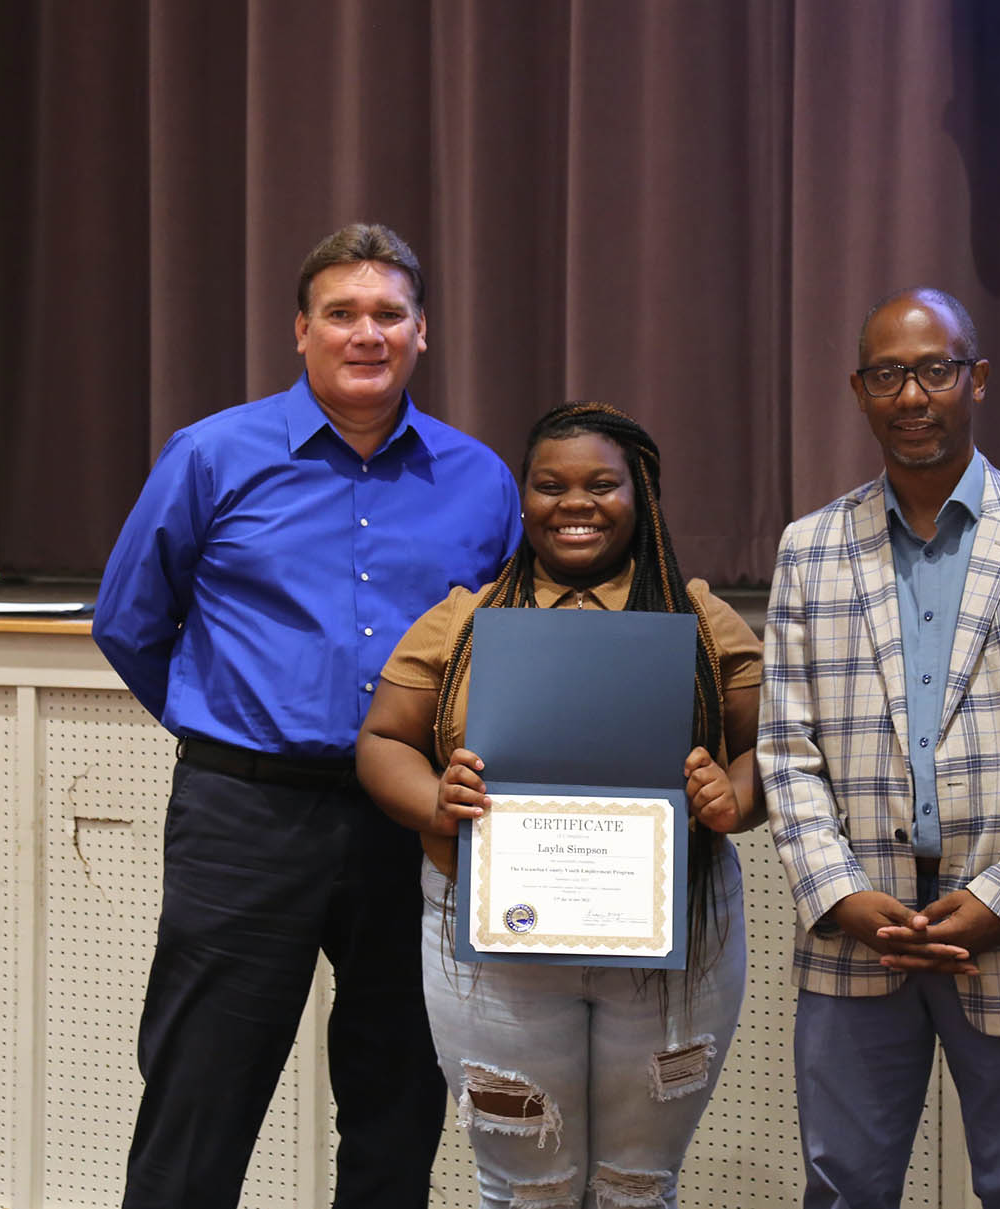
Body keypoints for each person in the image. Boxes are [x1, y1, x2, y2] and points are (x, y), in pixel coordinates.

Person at [91, 223, 520, 1209]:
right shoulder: (211, 456)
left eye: (387, 314)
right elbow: (130, 622)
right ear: (300, 331)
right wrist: (226, 725)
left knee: (398, 1099)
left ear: (422, 333)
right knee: (201, 1095)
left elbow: (501, 652)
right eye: (341, 313)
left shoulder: (481, 479)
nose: (364, 333)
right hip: (245, 819)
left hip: (411, 828)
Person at [758, 287, 1000, 1209]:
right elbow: (784, 748)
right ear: (859, 390)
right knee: (843, 1188)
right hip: (860, 933)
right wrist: (840, 893)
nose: (912, 394)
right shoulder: (809, 549)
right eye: (888, 374)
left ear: (977, 379)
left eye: (934, 370)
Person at [357, 402, 764, 1209]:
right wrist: (436, 798)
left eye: (599, 484)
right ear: (523, 498)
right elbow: (382, 741)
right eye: (549, 485)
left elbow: (768, 752)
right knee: (524, 1188)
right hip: (493, 944)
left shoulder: (700, 621)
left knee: (634, 1186)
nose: (573, 502)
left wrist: (732, 794)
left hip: (674, 940)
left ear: (639, 493)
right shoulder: (466, 619)